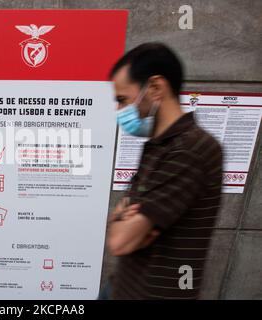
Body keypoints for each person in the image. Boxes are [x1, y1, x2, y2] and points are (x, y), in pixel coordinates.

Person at [103, 42, 223, 299]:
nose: (119, 110)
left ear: (155, 88)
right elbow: (123, 230)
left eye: (123, 99)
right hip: (123, 287)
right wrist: (121, 219)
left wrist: (123, 221)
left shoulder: (191, 150)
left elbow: (119, 241)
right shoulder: (157, 145)